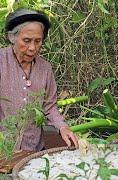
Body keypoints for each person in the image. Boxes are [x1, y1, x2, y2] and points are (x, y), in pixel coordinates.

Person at [0, 8, 78, 151]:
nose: (32, 48)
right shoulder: (1, 62)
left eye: (38, 41)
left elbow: (50, 106)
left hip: (33, 147)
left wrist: (63, 126)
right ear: (12, 38)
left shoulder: (45, 68)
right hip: (4, 147)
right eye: (27, 40)